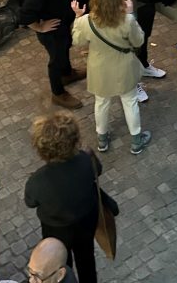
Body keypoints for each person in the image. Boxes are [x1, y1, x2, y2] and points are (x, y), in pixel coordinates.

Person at [70, 0, 151, 155]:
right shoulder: (127, 20)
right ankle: (136, 141)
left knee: (101, 103)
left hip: (99, 69)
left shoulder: (86, 21)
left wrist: (77, 17)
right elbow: (139, 41)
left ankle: (102, 139)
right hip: (124, 67)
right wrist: (131, 14)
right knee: (130, 102)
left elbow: (77, 41)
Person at [24, 113, 101, 283]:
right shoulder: (85, 160)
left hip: (56, 229)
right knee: (86, 258)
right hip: (86, 221)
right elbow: (98, 171)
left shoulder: (38, 180)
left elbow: (30, 202)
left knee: (60, 263)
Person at [18, 0, 87, 110]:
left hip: (63, 24)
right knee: (55, 59)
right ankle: (58, 93)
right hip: (52, 30)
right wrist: (40, 27)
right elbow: (25, 13)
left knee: (65, 47)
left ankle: (67, 73)